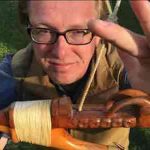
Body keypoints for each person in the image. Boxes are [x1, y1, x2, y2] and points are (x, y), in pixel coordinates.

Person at [0, 0, 150, 149]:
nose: (61, 53)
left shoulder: (124, 69)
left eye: (79, 32)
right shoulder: (15, 72)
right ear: (29, 26)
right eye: (44, 30)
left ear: (99, 34)